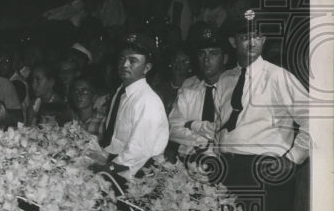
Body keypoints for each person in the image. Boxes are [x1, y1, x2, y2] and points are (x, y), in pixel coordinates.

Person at [216, 10, 311, 211]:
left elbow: (314, 118)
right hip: (231, 166)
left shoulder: (278, 76)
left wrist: (294, 156)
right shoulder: (226, 79)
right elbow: (221, 125)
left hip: (266, 168)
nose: (252, 42)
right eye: (245, 37)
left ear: (264, 39)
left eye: (257, 36)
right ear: (234, 42)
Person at [92, 32, 169, 178]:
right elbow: (113, 141)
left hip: (136, 174)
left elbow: (138, 152)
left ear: (146, 68)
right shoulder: (120, 92)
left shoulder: (148, 101)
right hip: (115, 163)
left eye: (133, 60)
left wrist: (106, 170)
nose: (124, 64)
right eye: (122, 59)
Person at [167, 24, 233, 163]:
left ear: (225, 59)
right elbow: (172, 128)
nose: (206, 59)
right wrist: (204, 143)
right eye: (202, 53)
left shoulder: (234, 88)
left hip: (224, 163)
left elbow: (227, 132)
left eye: (213, 53)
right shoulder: (189, 85)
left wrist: (192, 125)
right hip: (187, 161)